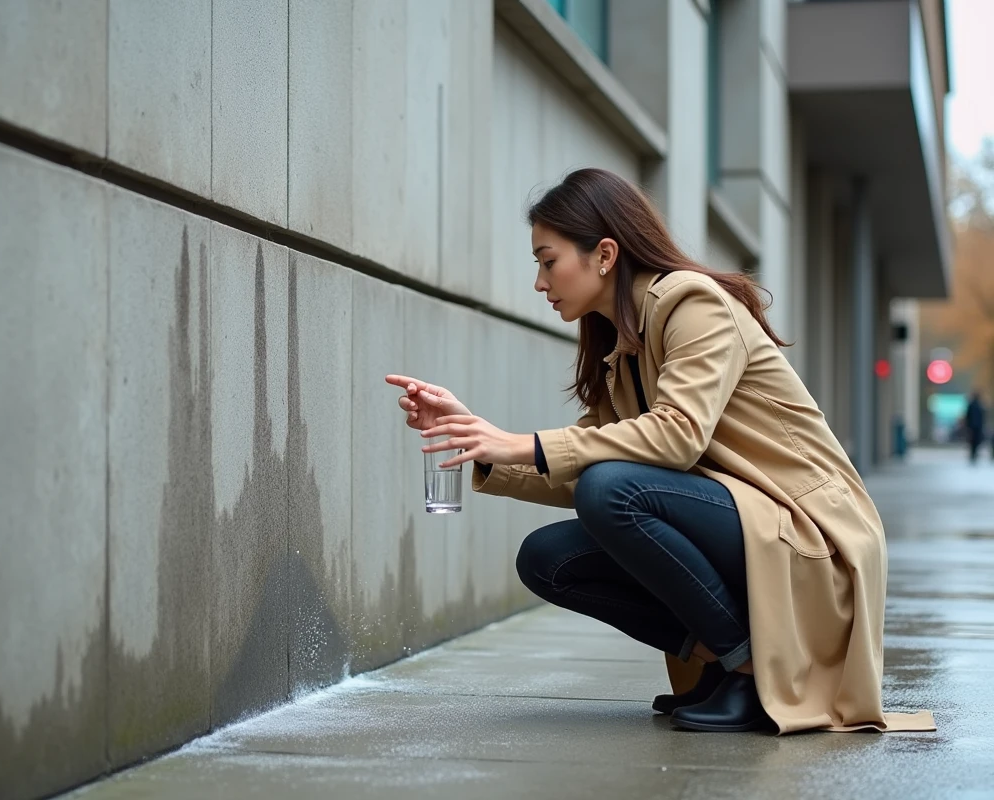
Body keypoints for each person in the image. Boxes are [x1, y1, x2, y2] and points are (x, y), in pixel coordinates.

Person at [386, 168, 933, 735]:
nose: (539, 282)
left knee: (611, 491)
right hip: (745, 523)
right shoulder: (622, 346)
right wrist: (480, 444)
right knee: (547, 558)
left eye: (547, 261)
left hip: (808, 529)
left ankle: (748, 671)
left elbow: (676, 437)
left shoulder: (692, 304)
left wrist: (524, 443)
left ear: (603, 254)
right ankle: (729, 662)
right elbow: (587, 465)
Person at [964, 390, 985, 463]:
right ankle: (974, 454)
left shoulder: (971, 405)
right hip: (977, 427)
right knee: (975, 441)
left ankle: (973, 454)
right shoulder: (980, 405)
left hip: (972, 427)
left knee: (973, 441)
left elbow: (967, 416)